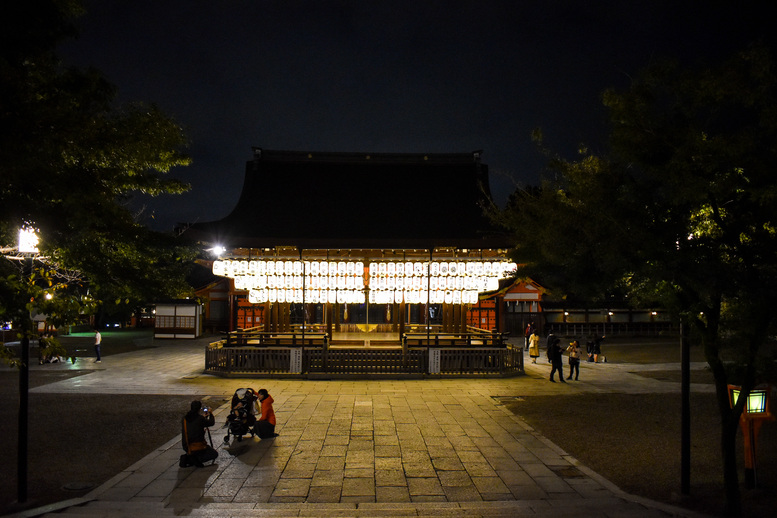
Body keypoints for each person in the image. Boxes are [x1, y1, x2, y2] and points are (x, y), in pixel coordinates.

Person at [181, 401, 218, 468]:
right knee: (214, 454)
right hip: (198, 445)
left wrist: (202, 418)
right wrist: (211, 413)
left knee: (198, 452)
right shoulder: (200, 419)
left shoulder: (184, 418)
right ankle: (192, 460)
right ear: (199, 409)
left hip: (186, 445)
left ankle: (191, 457)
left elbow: (193, 424)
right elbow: (211, 423)